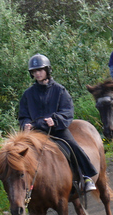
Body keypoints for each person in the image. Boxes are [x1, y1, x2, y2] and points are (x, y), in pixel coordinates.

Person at [19, 54, 97, 192]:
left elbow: (67, 111)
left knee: (73, 146)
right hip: (36, 133)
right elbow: (23, 115)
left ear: (47, 70)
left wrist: (55, 120)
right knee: (19, 154)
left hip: (57, 130)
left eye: (40, 70)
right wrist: (25, 124)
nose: (37, 73)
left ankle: (86, 176)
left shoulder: (59, 90)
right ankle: (24, 187)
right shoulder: (27, 94)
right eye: (34, 71)